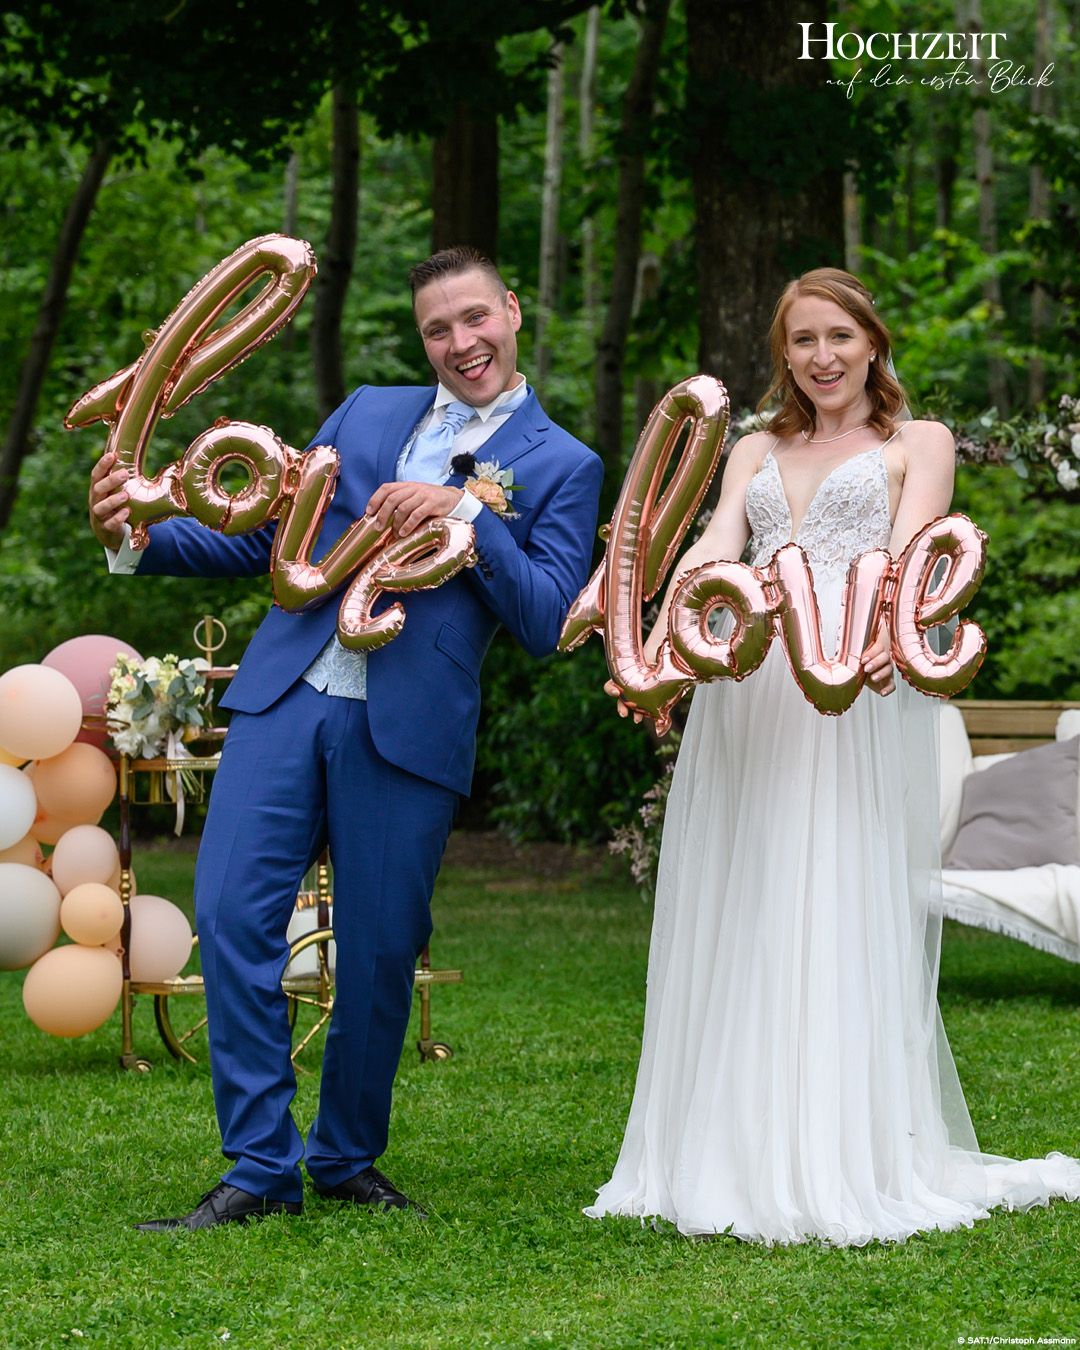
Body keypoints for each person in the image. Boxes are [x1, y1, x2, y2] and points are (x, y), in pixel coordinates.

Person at [89, 246, 603, 1230]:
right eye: (438, 330)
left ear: (514, 312)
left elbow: (543, 619)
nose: (461, 343)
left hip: (407, 732)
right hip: (287, 695)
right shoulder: (366, 411)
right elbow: (260, 538)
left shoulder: (562, 464)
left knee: (377, 950)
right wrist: (137, 534)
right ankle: (257, 1166)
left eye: (475, 319)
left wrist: (464, 512)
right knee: (234, 915)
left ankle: (346, 1157)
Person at [587, 267, 1080, 1245]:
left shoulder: (919, 443)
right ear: (785, 354)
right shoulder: (754, 449)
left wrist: (849, 642)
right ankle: (725, 1142)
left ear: (872, 341)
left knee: (832, 894)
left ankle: (836, 1148)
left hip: (845, 684)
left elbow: (908, 559)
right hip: (746, 689)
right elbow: (714, 548)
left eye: (840, 338)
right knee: (748, 893)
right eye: (804, 341)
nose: (822, 358)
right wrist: (652, 643)